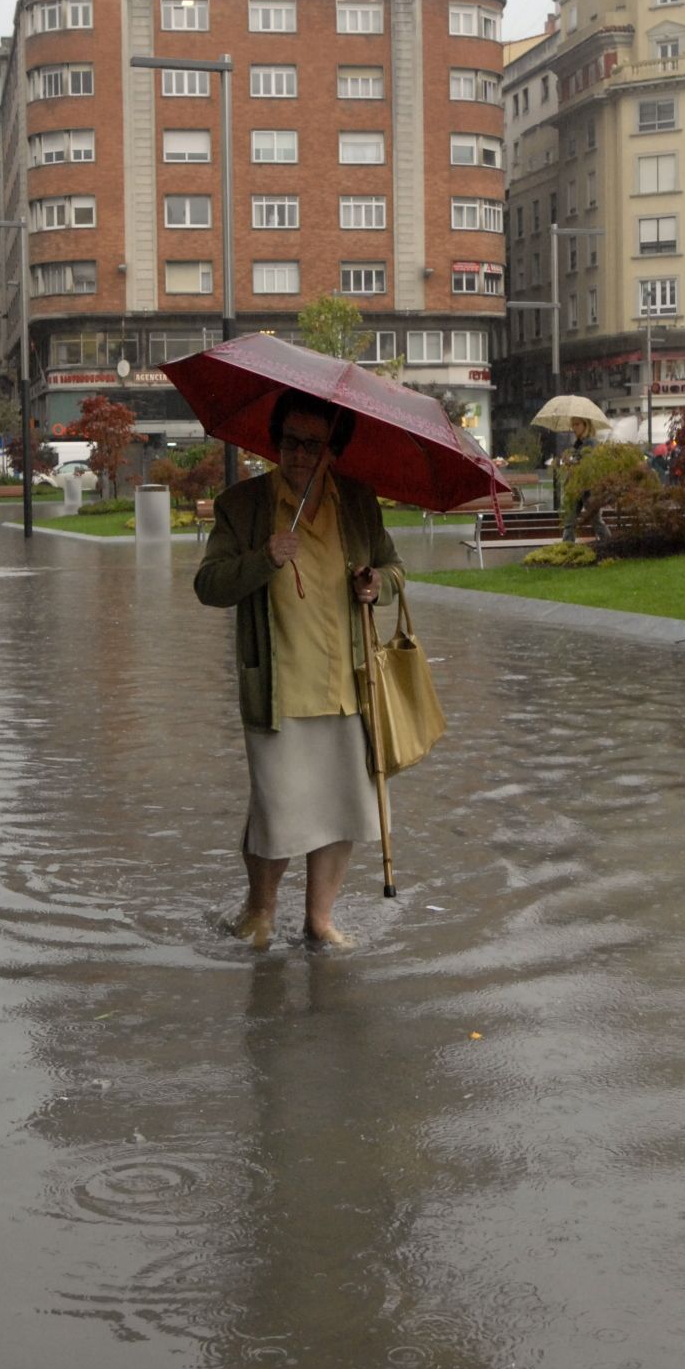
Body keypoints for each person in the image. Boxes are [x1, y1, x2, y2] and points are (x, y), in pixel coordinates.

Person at [194, 392, 402, 950]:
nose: (299, 455)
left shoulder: (358, 503)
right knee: (277, 810)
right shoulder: (244, 506)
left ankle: (319, 920)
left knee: (341, 807)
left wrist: (377, 584)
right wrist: (264, 558)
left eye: (313, 444)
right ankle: (259, 911)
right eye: (289, 442)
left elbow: (393, 567)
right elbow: (208, 585)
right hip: (280, 688)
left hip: (347, 686)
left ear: (333, 449)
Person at [560, 418, 592, 543]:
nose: (574, 428)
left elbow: (587, 463)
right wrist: (568, 461)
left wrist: (572, 462)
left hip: (587, 487)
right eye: (573, 425)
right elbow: (576, 462)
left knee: (595, 520)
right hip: (576, 486)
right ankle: (566, 547)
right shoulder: (578, 443)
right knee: (569, 520)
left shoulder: (590, 443)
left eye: (577, 424)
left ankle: (609, 544)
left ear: (585, 425)